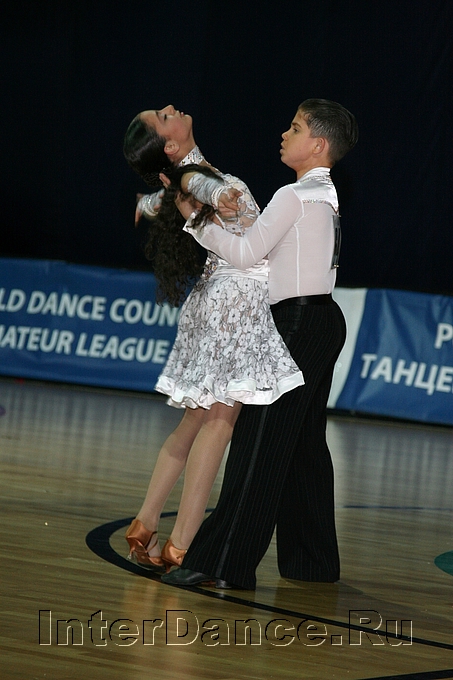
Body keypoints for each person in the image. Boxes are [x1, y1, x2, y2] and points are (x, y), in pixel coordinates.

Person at [162, 98, 358, 590]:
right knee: (304, 446)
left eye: (295, 128)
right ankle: (312, 562)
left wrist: (198, 221)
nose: (284, 134)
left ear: (319, 144)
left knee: (258, 444)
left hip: (297, 323)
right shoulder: (325, 194)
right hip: (323, 320)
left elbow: (247, 254)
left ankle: (223, 562)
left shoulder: (295, 195)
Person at [122, 106, 303, 575]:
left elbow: (171, 196)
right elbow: (204, 189)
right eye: (163, 115)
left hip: (211, 300)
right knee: (219, 423)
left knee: (195, 421)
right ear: (169, 144)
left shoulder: (181, 177)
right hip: (234, 303)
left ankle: (144, 524)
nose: (172, 108)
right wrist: (222, 194)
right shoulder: (192, 177)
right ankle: (181, 545)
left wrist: (151, 202)